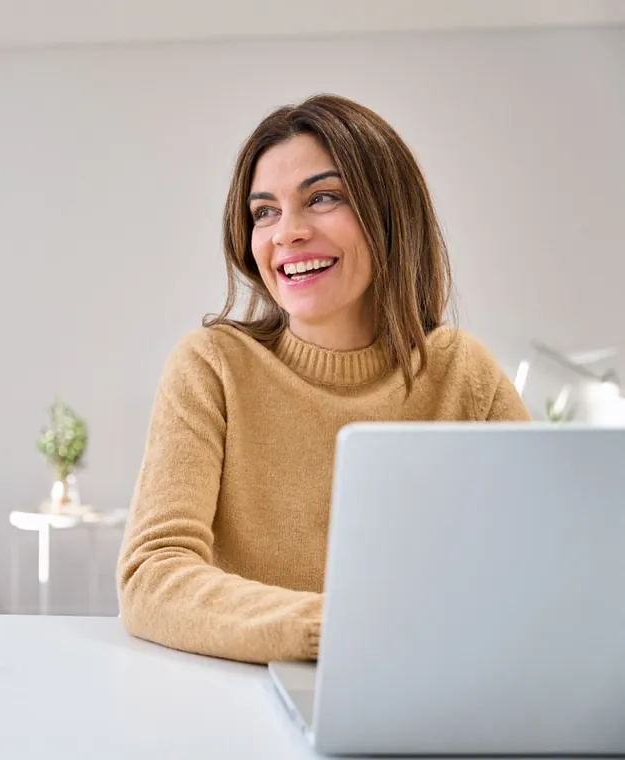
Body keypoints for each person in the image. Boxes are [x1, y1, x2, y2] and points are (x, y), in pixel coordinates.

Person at [116, 93, 530, 665]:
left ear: (388, 214)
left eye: (323, 198)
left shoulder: (464, 375)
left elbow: (539, 570)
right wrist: (336, 629)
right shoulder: (212, 367)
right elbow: (153, 577)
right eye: (264, 211)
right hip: (237, 698)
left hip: (424, 685)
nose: (286, 233)